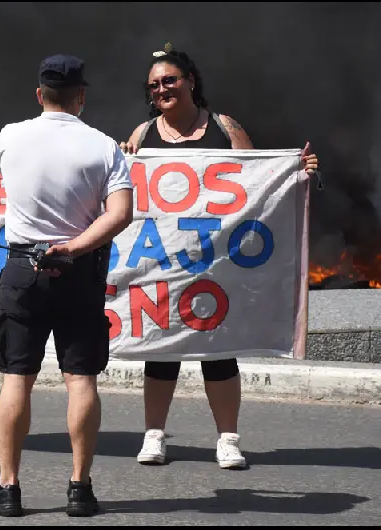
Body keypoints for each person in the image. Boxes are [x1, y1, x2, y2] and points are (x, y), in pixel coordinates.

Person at [119, 44, 319, 469]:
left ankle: (228, 440)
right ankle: (154, 436)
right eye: (154, 85)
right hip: (161, 266)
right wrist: (123, 161)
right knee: (161, 351)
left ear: (190, 81)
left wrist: (298, 174)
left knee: (219, 352)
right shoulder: (141, 134)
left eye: (170, 80)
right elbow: (123, 191)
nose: (162, 89)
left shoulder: (224, 127)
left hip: (218, 265)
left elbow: (258, 186)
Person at [0, 55, 134, 518]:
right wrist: (73, 247)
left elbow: (11, 180)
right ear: (81, 96)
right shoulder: (105, 147)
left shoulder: (10, 136)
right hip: (78, 270)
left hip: (24, 268)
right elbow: (120, 213)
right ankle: (79, 488)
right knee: (81, 379)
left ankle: (8, 487)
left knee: (15, 378)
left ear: (39, 94)